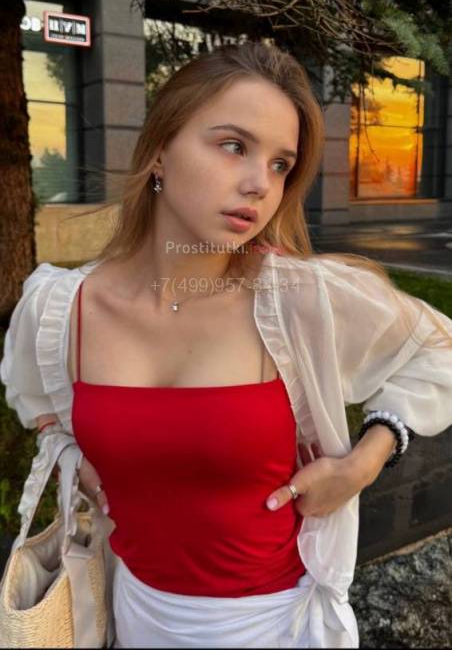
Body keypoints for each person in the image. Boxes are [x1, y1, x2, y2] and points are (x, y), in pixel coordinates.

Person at [2, 41, 452, 649]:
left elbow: (439, 350)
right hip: (134, 613)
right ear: (159, 151)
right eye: (234, 146)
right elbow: (36, 398)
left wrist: (364, 461)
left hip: (274, 625)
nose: (260, 184)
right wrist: (73, 450)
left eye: (280, 164)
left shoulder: (299, 298)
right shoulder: (60, 308)